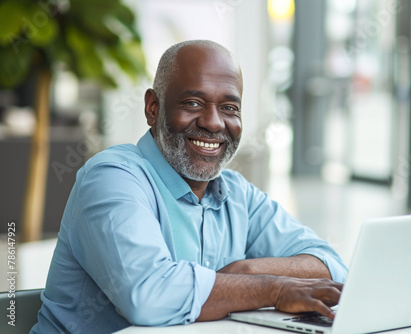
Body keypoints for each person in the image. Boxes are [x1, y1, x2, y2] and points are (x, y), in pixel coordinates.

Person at [30, 40, 348, 333]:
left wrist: (245, 272)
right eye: (194, 103)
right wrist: (274, 288)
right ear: (153, 108)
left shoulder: (237, 194)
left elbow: (331, 267)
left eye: (229, 108)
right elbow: (149, 296)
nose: (213, 122)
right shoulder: (111, 177)